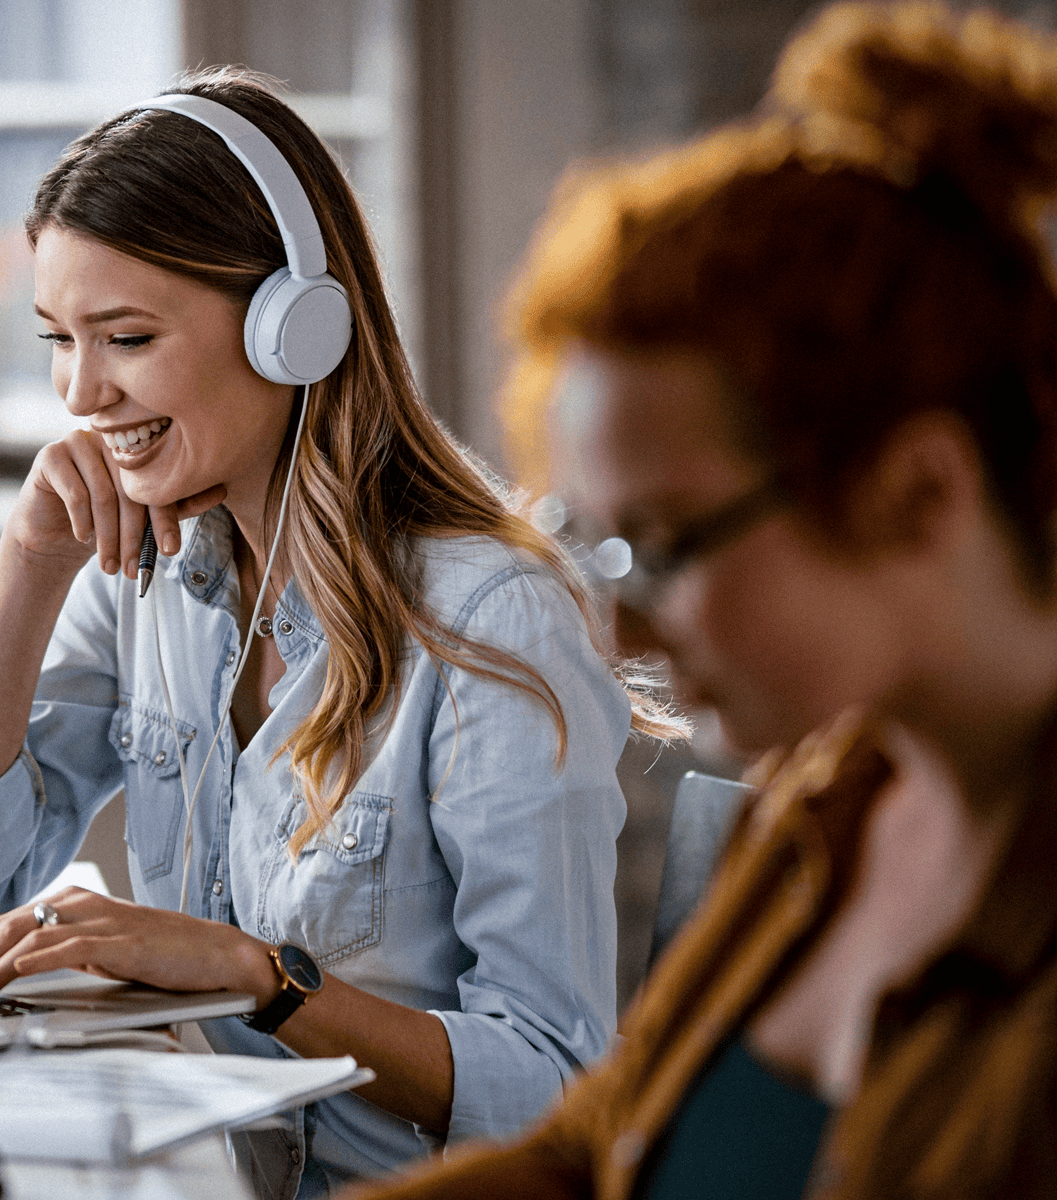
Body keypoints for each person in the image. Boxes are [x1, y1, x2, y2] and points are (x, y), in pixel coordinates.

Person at [0, 69, 676, 1196]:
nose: (81, 393)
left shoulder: (489, 623)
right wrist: (28, 568)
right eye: (60, 338)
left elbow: (555, 1083)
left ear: (292, 329)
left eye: (127, 338)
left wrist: (264, 980)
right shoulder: (147, 570)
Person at [347, 4, 1057, 1199]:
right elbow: (598, 1152)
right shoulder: (824, 809)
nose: (618, 630)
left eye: (666, 544)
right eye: (602, 544)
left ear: (920, 493)